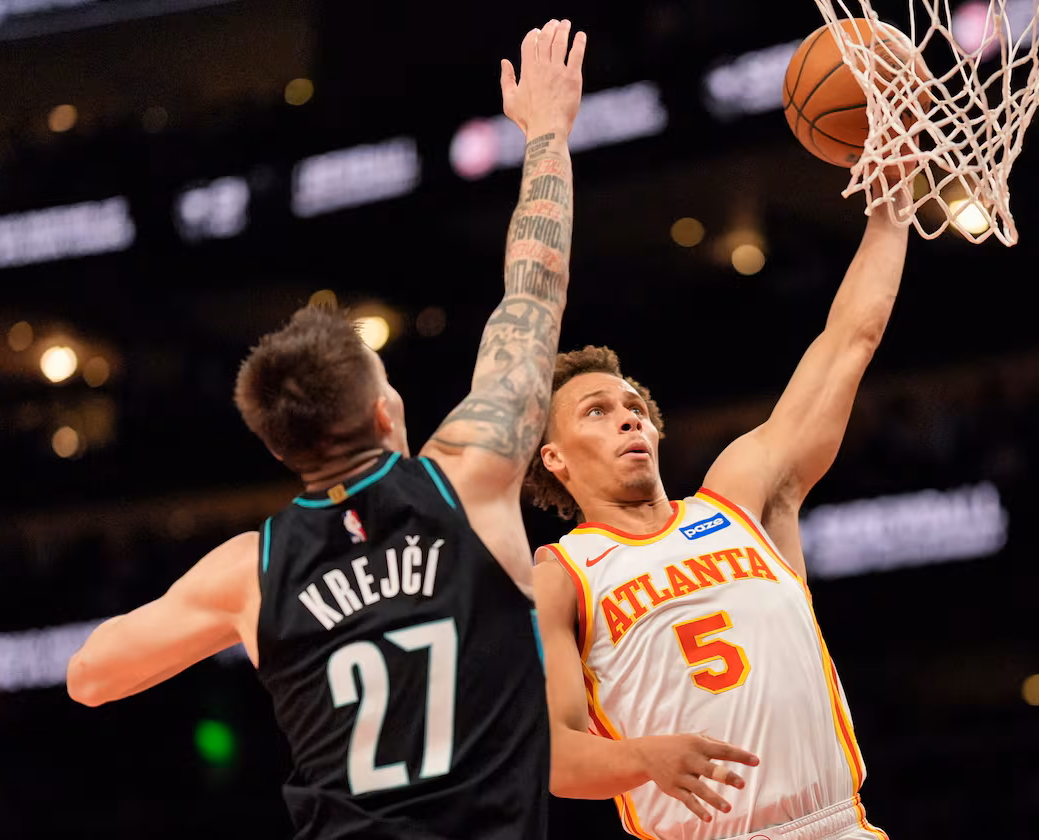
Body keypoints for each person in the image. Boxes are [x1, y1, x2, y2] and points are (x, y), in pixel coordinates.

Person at [66, 19, 587, 840]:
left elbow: (89, 676)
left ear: (282, 447)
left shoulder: (253, 570)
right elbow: (535, 291)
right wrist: (549, 133)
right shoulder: (472, 474)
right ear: (385, 412)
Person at [525, 197, 908, 840]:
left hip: (841, 825)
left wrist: (891, 210)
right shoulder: (561, 577)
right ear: (554, 457)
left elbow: (849, 341)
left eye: (634, 405)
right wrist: (643, 757)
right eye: (597, 410)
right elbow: (556, 758)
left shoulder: (739, 500)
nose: (628, 417)